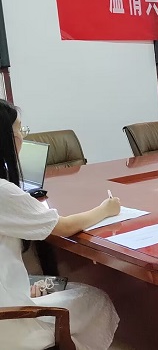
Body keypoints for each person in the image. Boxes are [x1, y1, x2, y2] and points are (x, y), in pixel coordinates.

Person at [0, 100, 121, 349]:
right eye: (20, 130)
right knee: (96, 298)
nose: (22, 137)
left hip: (10, 291)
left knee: (57, 283)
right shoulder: (4, 192)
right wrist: (105, 209)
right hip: (11, 322)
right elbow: (64, 227)